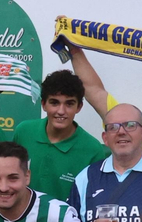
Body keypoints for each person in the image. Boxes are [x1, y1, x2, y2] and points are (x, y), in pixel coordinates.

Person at [9, 71, 106, 201]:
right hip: (21, 213)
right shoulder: (24, 132)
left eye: (69, 104)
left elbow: (93, 198)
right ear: (43, 104)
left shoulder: (92, 149)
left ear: (79, 107)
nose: (61, 111)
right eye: (54, 103)